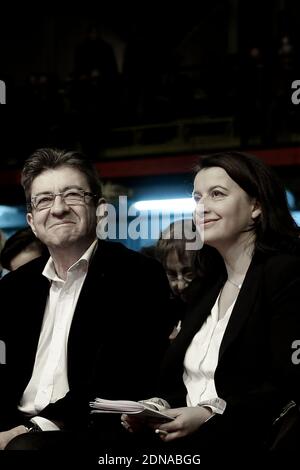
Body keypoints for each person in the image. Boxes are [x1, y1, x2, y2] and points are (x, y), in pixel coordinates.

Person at [122, 151, 300, 462]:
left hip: (243, 441)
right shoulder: (206, 284)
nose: (201, 208)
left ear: (256, 206)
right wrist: (157, 406)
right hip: (185, 441)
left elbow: (285, 385)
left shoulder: (285, 273)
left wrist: (207, 412)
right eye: (196, 198)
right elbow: (188, 380)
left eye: (216, 195)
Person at [0, 148, 171, 452]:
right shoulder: (14, 287)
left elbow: (118, 379)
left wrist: (31, 427)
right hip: (14, 426)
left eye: (73, 195)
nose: (58, 208)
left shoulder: (136, 275)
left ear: (100, 209)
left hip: (89, 432)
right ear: (31, 220)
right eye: (44, 200)